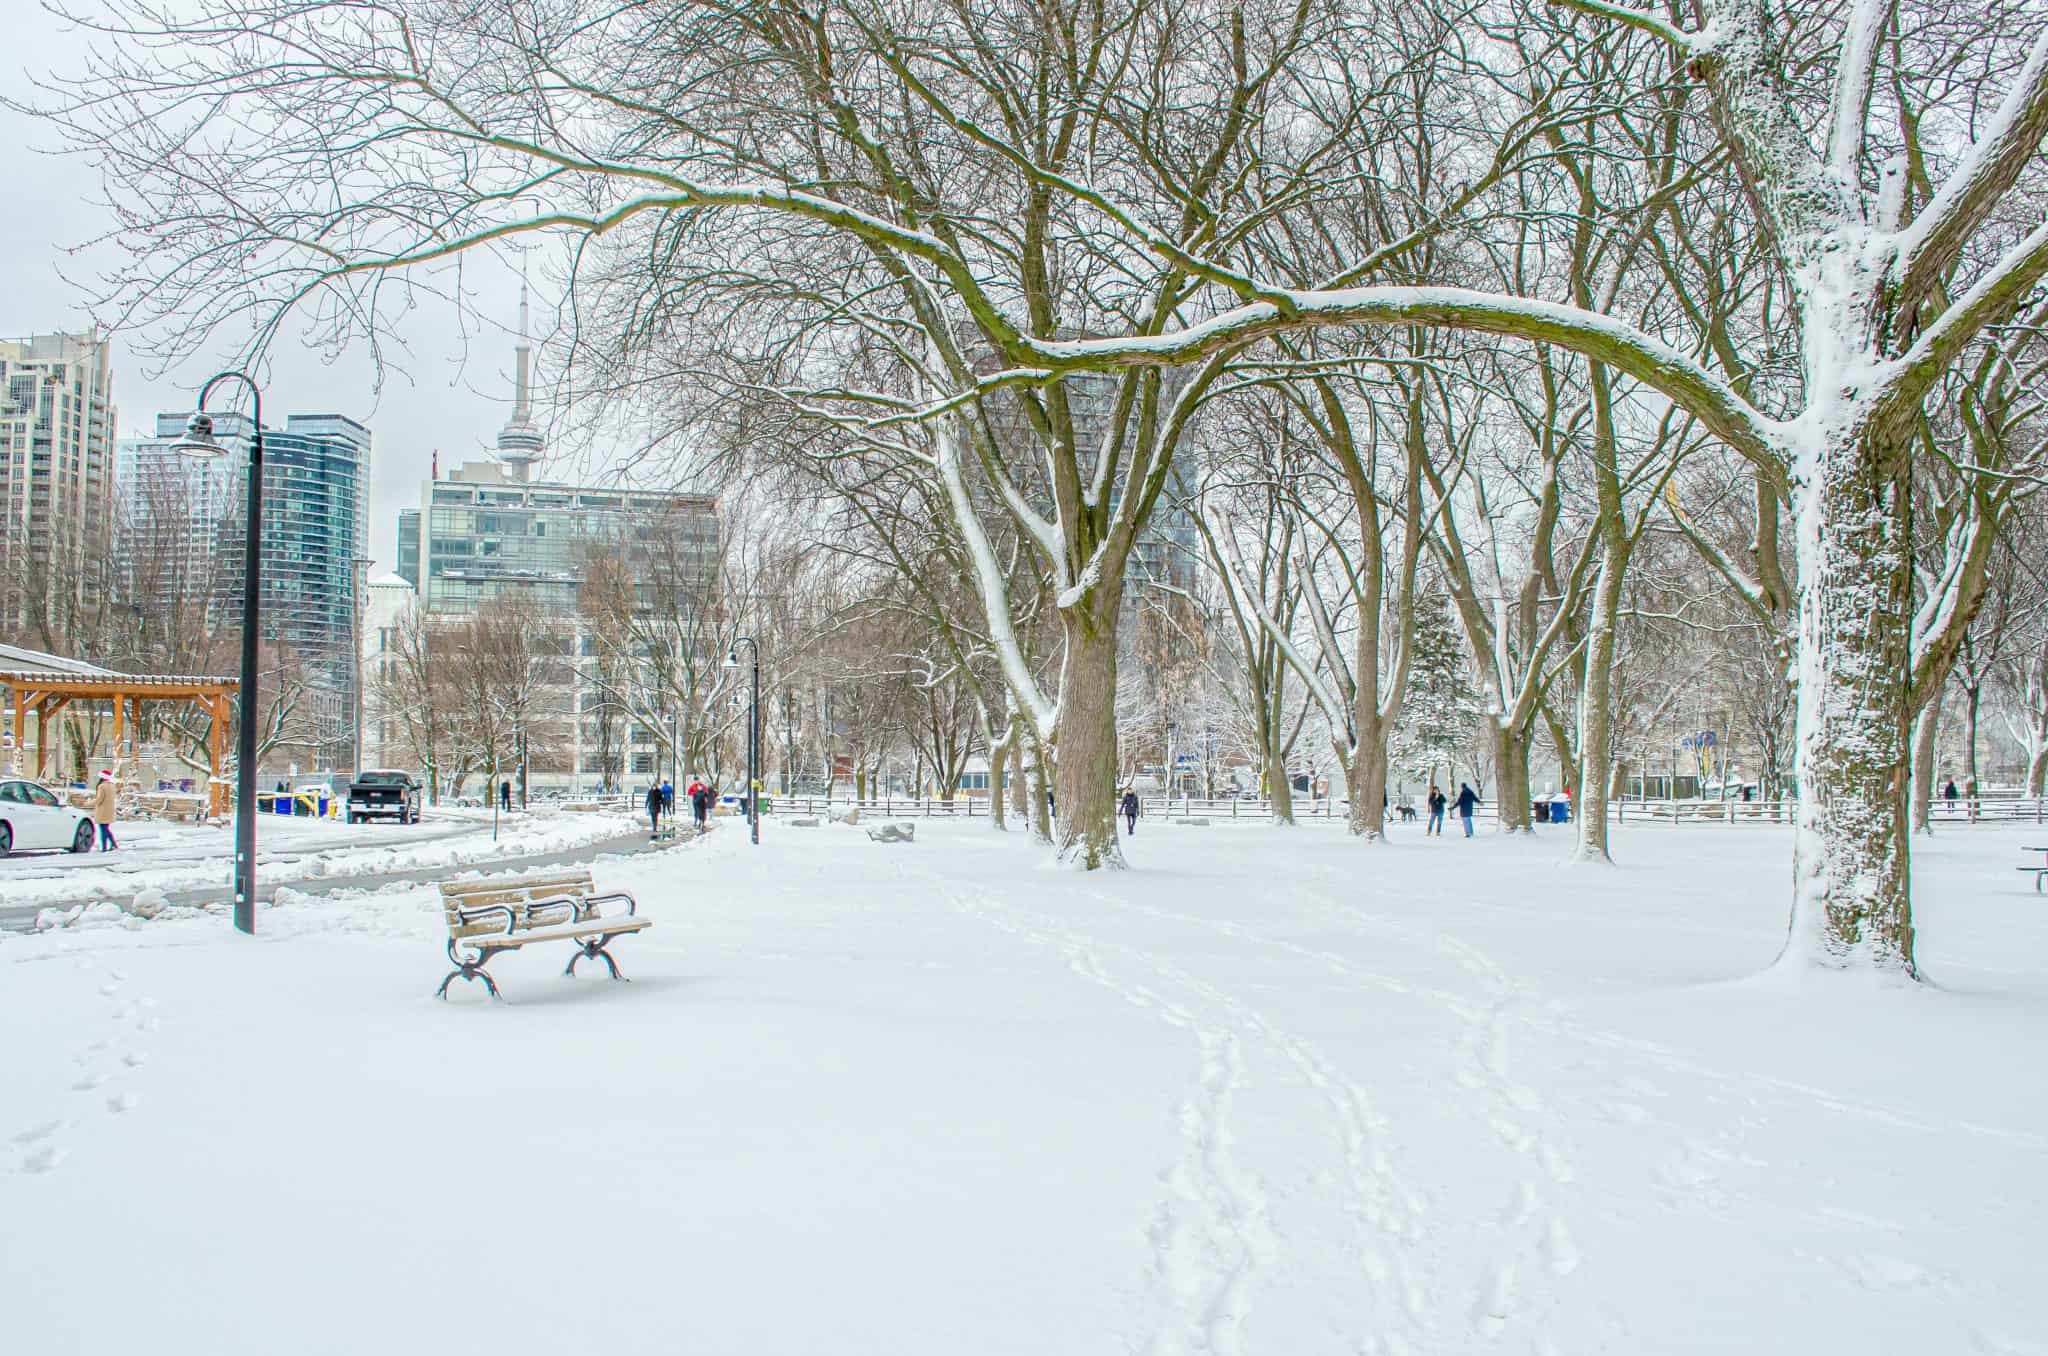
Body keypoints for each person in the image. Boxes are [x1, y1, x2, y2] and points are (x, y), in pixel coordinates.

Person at [93, 769, 119, 851]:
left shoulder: (102, 786)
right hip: (110, 810)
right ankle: (113, 844)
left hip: (102, 810)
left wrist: (88, 803)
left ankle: (104, 847)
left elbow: (99, 799)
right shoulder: (112, 785)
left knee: (103, 829)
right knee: (106, 828)